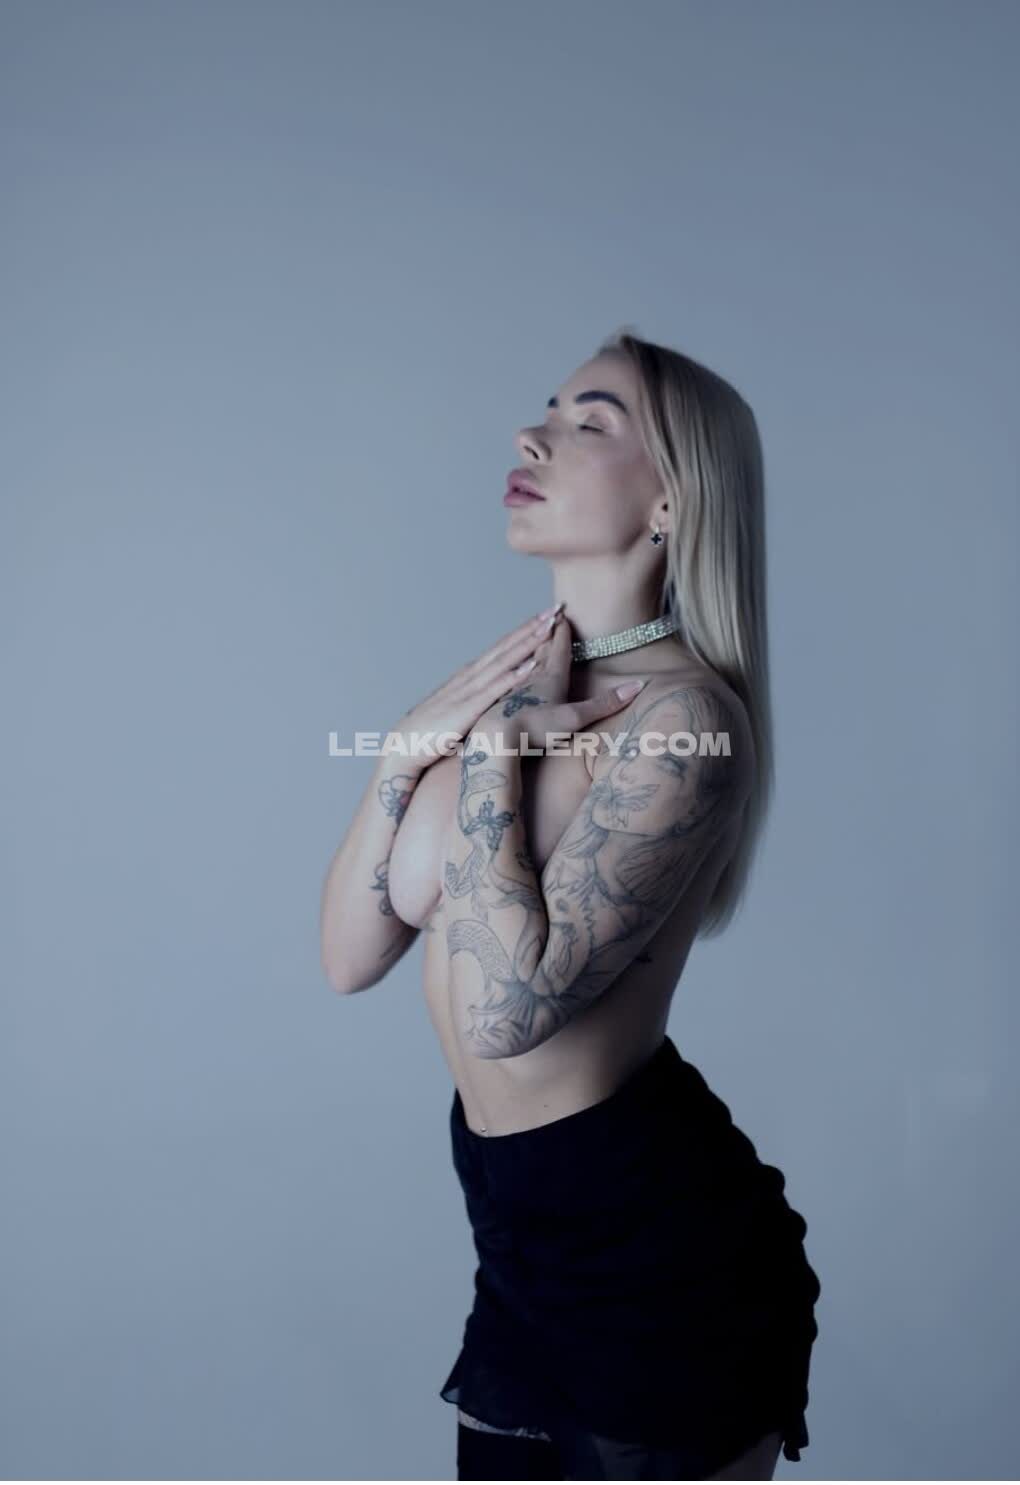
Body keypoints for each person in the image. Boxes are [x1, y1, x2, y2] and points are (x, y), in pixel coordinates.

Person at [320, 329, 822, 1479]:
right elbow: (348, 959)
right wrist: (400, 756)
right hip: (516, 1235)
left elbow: (506, 1015)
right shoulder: (510, 689)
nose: (532, 434)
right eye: (548, 408)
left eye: (591, 422)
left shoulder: (684, 721)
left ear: (671, 502)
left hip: (652, 1253)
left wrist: (494, 758)